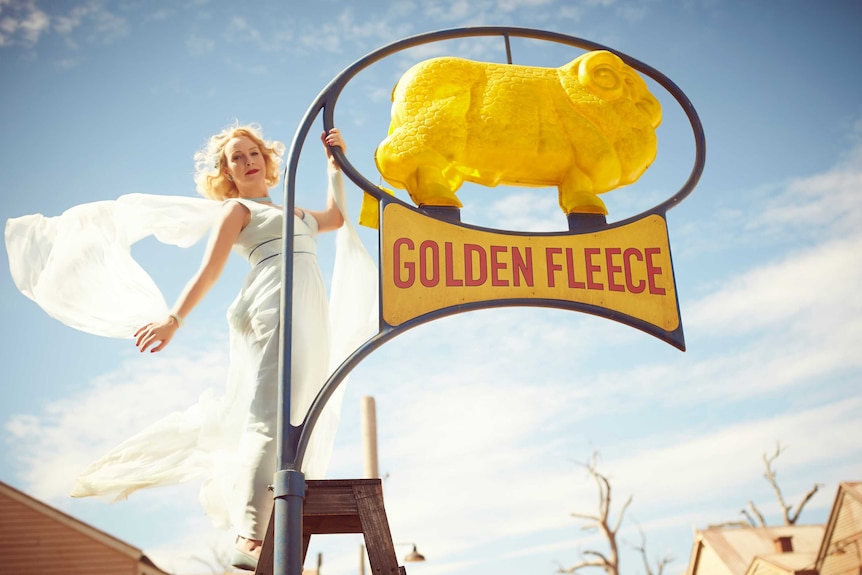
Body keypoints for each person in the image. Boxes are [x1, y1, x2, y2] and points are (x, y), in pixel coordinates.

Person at [4, 123, 378, 572]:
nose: (247, 161)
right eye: (236, 158)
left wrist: (334, 164)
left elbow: (337, 218)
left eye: (252, 152)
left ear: (267, 158)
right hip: (272, 303)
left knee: (300, 411)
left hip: (308, 309)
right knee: (270, 414)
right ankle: (251, 533)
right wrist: (174, 319)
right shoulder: (236, 211)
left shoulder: (297, 213)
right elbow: (210, 271)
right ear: (228, 173)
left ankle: (274, 515)